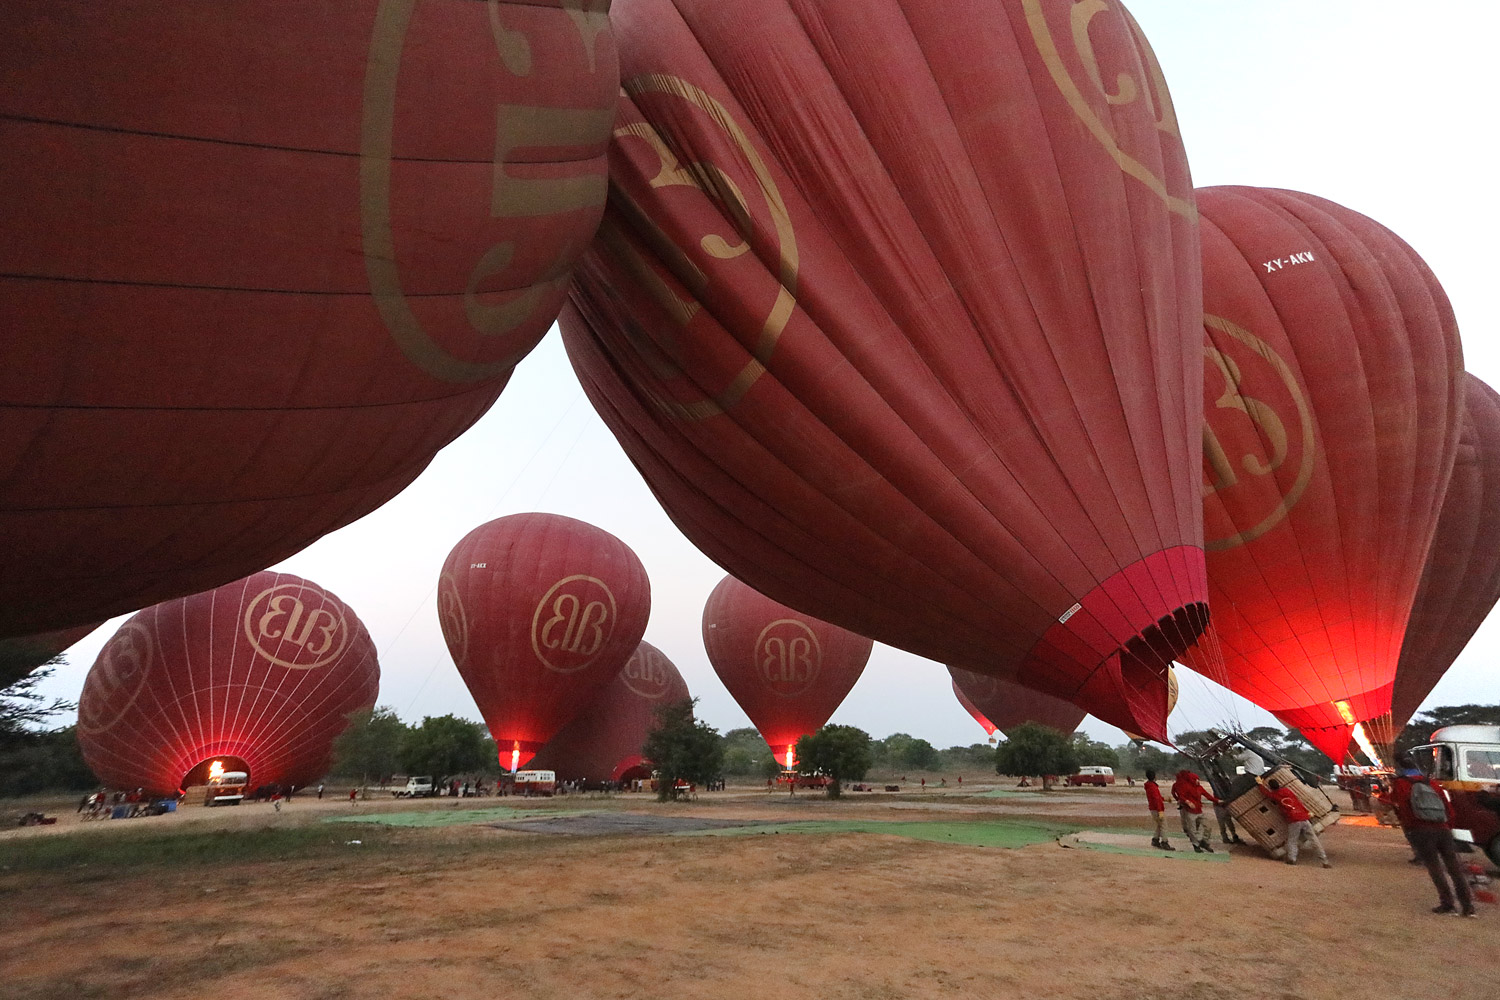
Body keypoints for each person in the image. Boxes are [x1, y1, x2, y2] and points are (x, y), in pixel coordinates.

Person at [1389, 751, 1475, 917]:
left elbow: (1402, 807)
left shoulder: (1400, 783)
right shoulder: (1432, 782)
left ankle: (1447, 903)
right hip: (1442, 828)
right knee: (1454, 868)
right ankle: (1467, 906)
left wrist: (1410, 828)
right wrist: (1447, 826)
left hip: (1421, 830)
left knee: (1435, 867)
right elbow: (1447, 806)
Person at [1258, 776, 1329, 867]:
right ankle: (1324, 860)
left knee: (1292, 840)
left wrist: (1260, 784)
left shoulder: (1275, 795)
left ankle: (1292, 858)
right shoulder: (1288, 791)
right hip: (1304, 817)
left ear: (1271, 787)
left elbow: (1266, 793)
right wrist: (1307, 812)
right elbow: (1297, 801)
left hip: (1293, 820)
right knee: (1314, 839)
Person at [1171, 769, 1219, 853]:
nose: (1198, 781)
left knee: (1207, 826)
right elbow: (1181, 796)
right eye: (1196, 779)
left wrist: (1217, 801)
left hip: (1198, 810)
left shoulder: (1198, 787)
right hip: (1190, 811)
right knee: (1192, 829)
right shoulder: (1186, 787)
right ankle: (1196, 844)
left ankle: (1204, 841)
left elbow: (1207, 795)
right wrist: (1187, 802)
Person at [1206, 769, 1244, 845]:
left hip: (1220, 805)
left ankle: (1227, 836)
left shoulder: (1218, 786)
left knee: (1224, 822)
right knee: (1226, 822)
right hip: (1221, 805)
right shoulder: (1221, 786)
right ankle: (1230, 836)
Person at [1144, 768, 1174, 851]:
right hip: (1157, 809)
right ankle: (1164, 842)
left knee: (1159, 825)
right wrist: (1160, 810)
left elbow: (1157, 798)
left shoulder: (1149, 786)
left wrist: (1164, 799)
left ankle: (1155, 840)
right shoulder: (1153, 787)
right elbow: (1156, 799)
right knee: (1164, 825)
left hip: (1153, 808)